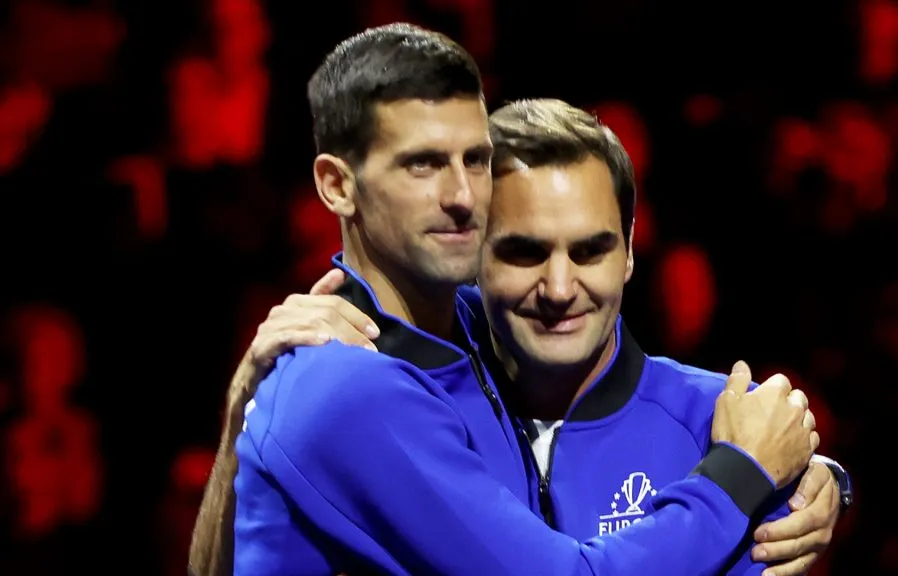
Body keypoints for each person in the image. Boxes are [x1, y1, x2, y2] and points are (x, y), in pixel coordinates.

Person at [190, 23, 830, 576]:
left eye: (474, 159)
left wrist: (818, 477)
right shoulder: (348, 388)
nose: (463, 196)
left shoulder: (464, 330)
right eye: (421, 164)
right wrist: (741, 475)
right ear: (336, 185)